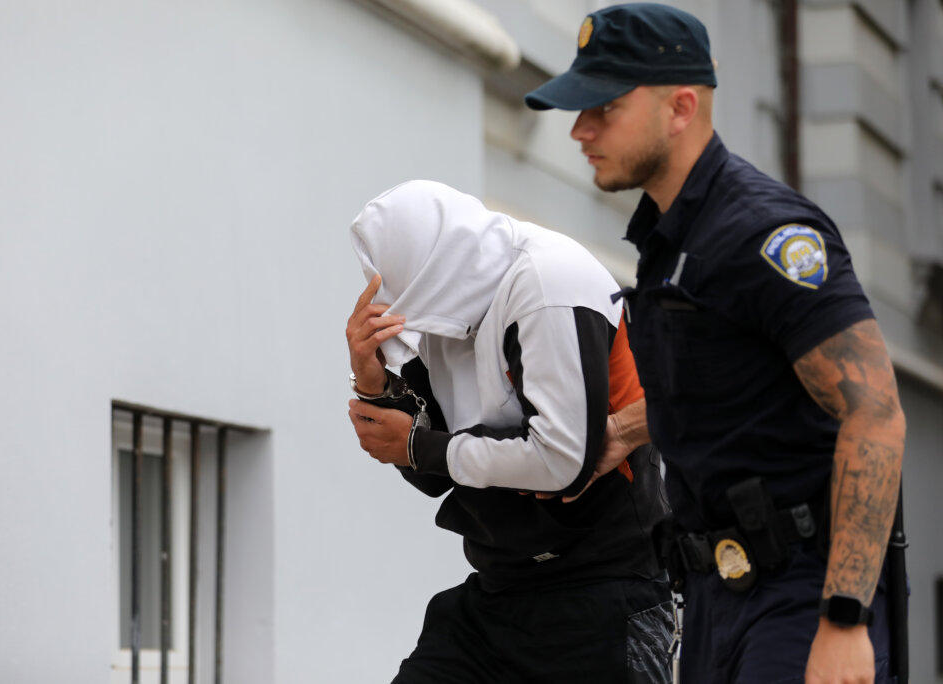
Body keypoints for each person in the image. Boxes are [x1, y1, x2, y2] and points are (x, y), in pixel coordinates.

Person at [524, 4, 906, 684]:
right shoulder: (670, 239)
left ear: (680, 107)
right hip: (712, 597)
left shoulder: (765, 234)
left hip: (800, 598)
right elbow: (726, 385)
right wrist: (621, 433)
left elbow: (874, 414)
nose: (580, 129)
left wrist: (844, 618)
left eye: (604, 108)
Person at [345, 179, 672, 683]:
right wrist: (374, 384)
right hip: (499, 590)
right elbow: (432, 472)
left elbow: (562, 459)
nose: (397, 302)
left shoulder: (548, 282)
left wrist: (417, 446)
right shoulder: (446, 307)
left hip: (603, 587)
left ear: (433, 260)